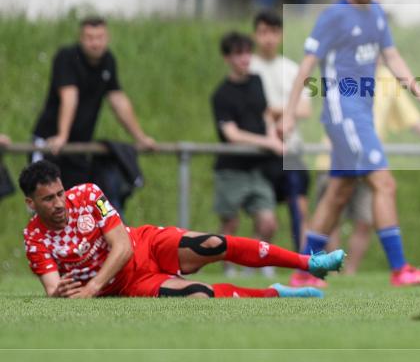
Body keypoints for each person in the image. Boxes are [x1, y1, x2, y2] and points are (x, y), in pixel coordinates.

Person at [283, 0, 420, 287]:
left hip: (360, 113)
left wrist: (418, 91)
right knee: (384, 183)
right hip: (344, 112)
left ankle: (302, 271)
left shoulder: (377, 14)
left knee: (338, 192)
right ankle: (400, 269)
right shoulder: (335, 16)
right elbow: (307, 66)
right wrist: (289, 114)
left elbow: (391, 56)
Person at [20, 160, 343, 299]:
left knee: (212, 244)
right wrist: (61, 291)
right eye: (48, 199)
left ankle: (309, 263)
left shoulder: (89, 194)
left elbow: (123, 247)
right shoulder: (34, 238)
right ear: (31, 204)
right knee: (198, 294)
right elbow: (52, 288)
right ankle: (277, 294)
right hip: (129, 284)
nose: (59, 203)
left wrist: (91, 288)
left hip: (144, 244)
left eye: (60, 193)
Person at [309, 63, 420, 278]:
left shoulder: (386, 77)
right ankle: (327, 267)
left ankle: (350, 272)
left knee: (368, 212)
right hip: (338, 153)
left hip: (368, 154)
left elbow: (410, 118)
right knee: (334, 210)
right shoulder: (344, 69)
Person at [31, 17, 156, 189]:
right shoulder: (67, 57)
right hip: (50, 143)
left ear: (107, 38)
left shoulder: (108, 61)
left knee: (78, 206)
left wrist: (140, 137)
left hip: (80, 148)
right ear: (80, 38)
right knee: (45, 204)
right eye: (90, 38)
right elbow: (69, 96)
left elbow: (118, 100)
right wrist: (62, 135)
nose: (95, 43)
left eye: (100, 37)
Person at [211, 32, 283, 275]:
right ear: (227, 58)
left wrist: (273, 135)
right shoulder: (221, 94)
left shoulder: (257, 81)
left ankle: (256, 264)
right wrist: (268, 142)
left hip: (258, 167)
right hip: (232, 169)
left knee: (267, 221)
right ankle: (229, 268)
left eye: (247, 53)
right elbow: (232, 134)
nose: (244, 59)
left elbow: (265, 115)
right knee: (230, 223)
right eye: (238, 54)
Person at [250, 10, 312, 253]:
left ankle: (306, 262)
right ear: (255, 35)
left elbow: (305, 108)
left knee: (300, 209)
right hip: (259, 152)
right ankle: (258, 262)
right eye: (263, 32)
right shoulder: (248, 68)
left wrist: (278, 112)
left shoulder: (292, 68)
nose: (269, 38)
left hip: (290, 150)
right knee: (264, 217)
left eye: (274, 32)